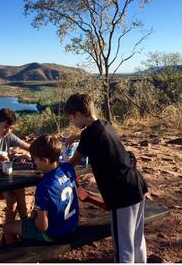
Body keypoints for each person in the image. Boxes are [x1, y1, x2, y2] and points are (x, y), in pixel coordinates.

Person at [64, 93, 148, 263]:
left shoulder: (89, 135)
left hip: (121, 194)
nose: (73, 123)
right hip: (136, 185)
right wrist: (77, 136)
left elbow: (71, 164)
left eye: (72, 119)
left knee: (123, 246)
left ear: (78, 114)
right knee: (137, 239)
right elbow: (96, 133)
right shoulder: (105, 124)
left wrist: (51, 168)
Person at [3, 135, 79, 244]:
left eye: (35, 160)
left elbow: (42, 227)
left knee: (7, 227)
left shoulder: (44, 186)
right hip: (71, 226)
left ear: (45, 160)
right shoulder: (68, 168)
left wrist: (35, 219)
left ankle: (16, 255)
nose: (34, 163)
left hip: (54, 234)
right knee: (33, 216)